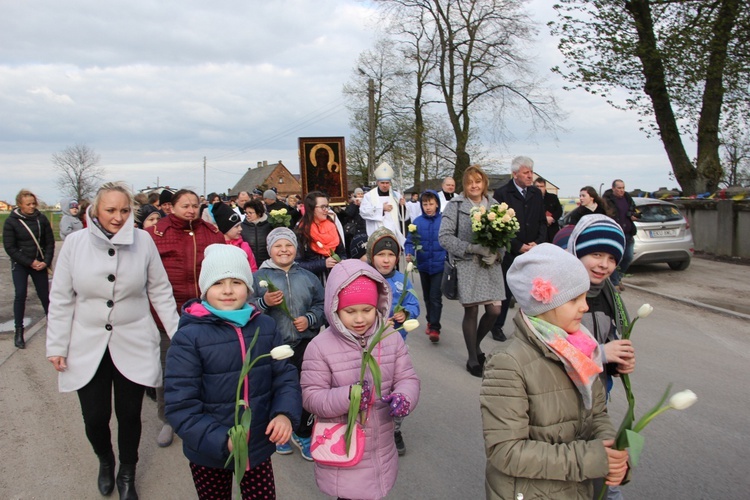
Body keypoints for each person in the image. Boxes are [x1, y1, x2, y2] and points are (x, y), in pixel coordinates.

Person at [46, 182, 180, 499]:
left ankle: (127, 472)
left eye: (124, 210)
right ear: (95, 209)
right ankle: (105, 460)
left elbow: (160, 291)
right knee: (94, 417)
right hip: (86, 343)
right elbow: (61, 299)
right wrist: (56, 346)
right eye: (110, 210)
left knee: (130, 415)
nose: (118, 218)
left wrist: (179, 335)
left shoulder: (143, 242)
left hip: (133, 339)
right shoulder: (75, 244)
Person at [480, 243, 629, 499]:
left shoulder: (583, 348)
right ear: (543, 304)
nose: (584, 307)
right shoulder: (508, 363)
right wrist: (590, 459)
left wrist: (611, 453)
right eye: (574, 299)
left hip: (577, 488)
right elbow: (506, 451)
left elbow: (597, 414)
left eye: (584, 297)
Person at [165, 244, 302, 500]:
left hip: (256, 445)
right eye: (218, 283)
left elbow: (285, 377)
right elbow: (180, 405)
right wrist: (221, 440)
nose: (228, 290)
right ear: (205, 288)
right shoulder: (189, 337)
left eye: (237, 282)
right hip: (209, 451)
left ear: (248, 288)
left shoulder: (265, 326)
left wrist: (284, 413)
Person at [301, 259, 420, 500]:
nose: (359, 319)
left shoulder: (390, 337)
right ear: (335, 309)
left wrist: (405, 397)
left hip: (381, 448)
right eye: (350, 311)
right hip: (344, 449)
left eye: (367, 310)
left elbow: (407, 377)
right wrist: (348, 396)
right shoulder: (320, 347)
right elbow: (311, 397)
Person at [559, 214, 636, 500]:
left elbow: (613, 339)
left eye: (612, 258)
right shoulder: (558, 293)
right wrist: (601, 354)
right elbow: (549, 348)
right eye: (596, 254)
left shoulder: (610, 296)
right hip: (560, 402)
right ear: (577, 251)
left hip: (597, 399)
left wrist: (619, 362)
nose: (604, 264)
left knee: (603, 471)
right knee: (571, 469)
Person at [146, 189, 225, 448]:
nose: (191, 210)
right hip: (168, 312)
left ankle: (204, 411)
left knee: (207, 366)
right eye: (185, 205)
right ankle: (169, 418)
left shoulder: (211, 233)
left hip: (205, 311)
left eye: (194, 205)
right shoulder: (156, 234)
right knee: (169, 369)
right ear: (171, 207)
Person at [251, 227, 325, 461]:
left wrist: (310, 319)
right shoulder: (258, 278)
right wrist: (264, 302)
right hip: (272, 346)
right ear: (270, 250)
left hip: (305, 344)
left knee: (304, 389)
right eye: (278, 246)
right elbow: (247, 308)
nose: (284, 250)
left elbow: (321, 305)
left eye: (289, 245)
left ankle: (302, 433)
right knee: (276, 389)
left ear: (296, 249)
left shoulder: (308, 277)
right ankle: (280, 432)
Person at [438, 165, 506, 377]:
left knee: (494, 310)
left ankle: (475, 344)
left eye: (478, 181)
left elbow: (504, 236)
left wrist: (498, 253)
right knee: (472, 310)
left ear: (484, 183)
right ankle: (472, 358)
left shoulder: (496, 206)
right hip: (467, 264)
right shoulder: (455, 206)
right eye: (469, 182)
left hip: (490, 265)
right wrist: (471, 248)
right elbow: (444, 237)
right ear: (464, 186)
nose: (474, 185)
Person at [366, 227, 420, 456]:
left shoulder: (403, 279)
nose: (386, 260)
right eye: (380, 255)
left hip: (397, 346)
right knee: (372, 388)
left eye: (391, 255)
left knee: (396, 389)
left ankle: (395, 429)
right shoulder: (365, 279)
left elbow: (414, 305)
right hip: (370, 346)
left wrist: (406, 314)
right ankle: (369, 428)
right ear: (371, 256)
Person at [491, 156, 547, 342]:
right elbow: (499, 226)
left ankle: (532, 328)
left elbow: (541, 221)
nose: (530, 176)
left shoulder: (535, 194)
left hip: (533, 250)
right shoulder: (502, 194)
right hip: (511, 251)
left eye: (531, 172)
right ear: (515, 174)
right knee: (506, 292)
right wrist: (518, 245)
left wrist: (537, 243)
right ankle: (497, 326)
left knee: (534, 292)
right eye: (526, 172)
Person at [3, 189, 55, 349]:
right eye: (28, 204)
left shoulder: (42, 219)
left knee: (45, 296)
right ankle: (19, 331)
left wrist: (45, 261)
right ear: (20, 205)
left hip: (39, 263)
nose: (32, 207)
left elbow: (49, 243)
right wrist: (29, 262)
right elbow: (10, 247)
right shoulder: (11, 222)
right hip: (21, 264)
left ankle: (54, 328)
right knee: (20, 295)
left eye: (33, 203)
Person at [405, 190, 446, 343]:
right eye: (425, 204)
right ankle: (430, 319)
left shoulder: (444, 221)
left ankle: (435, 327)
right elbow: (409, 241)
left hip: (440, 265)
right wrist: (409, 253)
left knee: (435, 296)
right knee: (427, 297)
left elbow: (449, 240)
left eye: (431, 204)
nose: (428, 207)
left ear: (437, 204)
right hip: (423, 265)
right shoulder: (417, 222)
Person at [294, 191, 345, 285]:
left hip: (335, 282)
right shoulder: (301, 231)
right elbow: (296, 264)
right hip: (312, 285)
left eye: (327, 206)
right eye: (323, 207)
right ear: (311, 209)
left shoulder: (332, 226)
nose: (326, 210)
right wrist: (322, 264)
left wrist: (340, 261)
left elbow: (343, 253)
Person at [603, 179, 640, 290]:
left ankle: (618, 278)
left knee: (628, 257)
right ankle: (615, 283)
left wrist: (633, 215)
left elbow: (632, 209)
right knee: (614, 258)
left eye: (623, 188)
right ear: (613, 188)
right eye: (619, 188)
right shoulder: (607, 200)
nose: (621, 190)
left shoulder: (627, 197)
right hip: (615, 234)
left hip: (628, 233)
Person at [359, 162, 407, 246]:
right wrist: (381, 208)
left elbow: (403, 217)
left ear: (390, 183)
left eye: (387, 183)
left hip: (393, 234)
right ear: (377, 182)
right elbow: (363, 212)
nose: (385, 185)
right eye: (382, 183)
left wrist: (401, 206)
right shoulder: (369, 196)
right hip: (376, 234)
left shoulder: (396, 196)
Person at [212, 201, 258, 272]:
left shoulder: (244, 246)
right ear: (225, 229)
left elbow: (253, 269)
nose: (240, 229)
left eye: (240, 225)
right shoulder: (216, 249)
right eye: (236, 226)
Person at [240, 199, 273, 265]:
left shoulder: (270, 225)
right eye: (246, 213)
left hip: (268, 264)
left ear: (259, 213)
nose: (247, 215)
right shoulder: (242, 226)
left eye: (250, 213)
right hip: (249, 265)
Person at [534, 177, 563, 243]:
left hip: (552, 230)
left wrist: (552, 218)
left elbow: (559, 211)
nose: (539, 188)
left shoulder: (553, 198)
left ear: (545, 187)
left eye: (541, 186)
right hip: (538, 233)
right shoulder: (530, 200)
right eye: (537, 186)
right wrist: (544, 219)